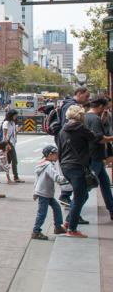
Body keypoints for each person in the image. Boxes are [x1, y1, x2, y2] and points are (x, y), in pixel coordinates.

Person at [58, 104, 102, 237]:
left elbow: (60, 150)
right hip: (76, 167)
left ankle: (68, 221)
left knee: (83, 195)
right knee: (79, 197)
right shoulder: (81, 128)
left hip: (66, 166)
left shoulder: (62, 130)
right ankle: (72, 229)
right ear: (80, 116)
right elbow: (95, 138)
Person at [85, 97, 113, 220]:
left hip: (93, 156)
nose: (106, 110)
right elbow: (99, 139)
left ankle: (112, 209)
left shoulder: (85, 117)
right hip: (95, 156)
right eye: (106, 107)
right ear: (101, 106)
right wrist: (111, 138)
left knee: (105, 184)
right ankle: (72, 217)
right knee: (87, 186)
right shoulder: (95, 119)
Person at [31, 145, 66, 240]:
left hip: (45, 192)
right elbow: (56, 177)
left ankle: (58, 227)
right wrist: (68, 178)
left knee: (56, 207)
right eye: (56, 154)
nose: (57, 156)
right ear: (50, 155)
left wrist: (35, 191)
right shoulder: (49, 166)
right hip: (44, 193)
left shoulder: (42, 163)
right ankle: (36, 232)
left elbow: (37, 179)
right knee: (42, 213)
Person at [1, 109, 22, 182]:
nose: (16, 117)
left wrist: (17, 131)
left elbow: (13, 133)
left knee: (6, 162)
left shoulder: (12, 122)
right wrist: (8, 145)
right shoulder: (6, 123)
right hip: (8, 144)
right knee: (14, 160)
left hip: (12, 143)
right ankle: (16, 177)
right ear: (11, 115)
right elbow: (5, 135)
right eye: (15, 115)